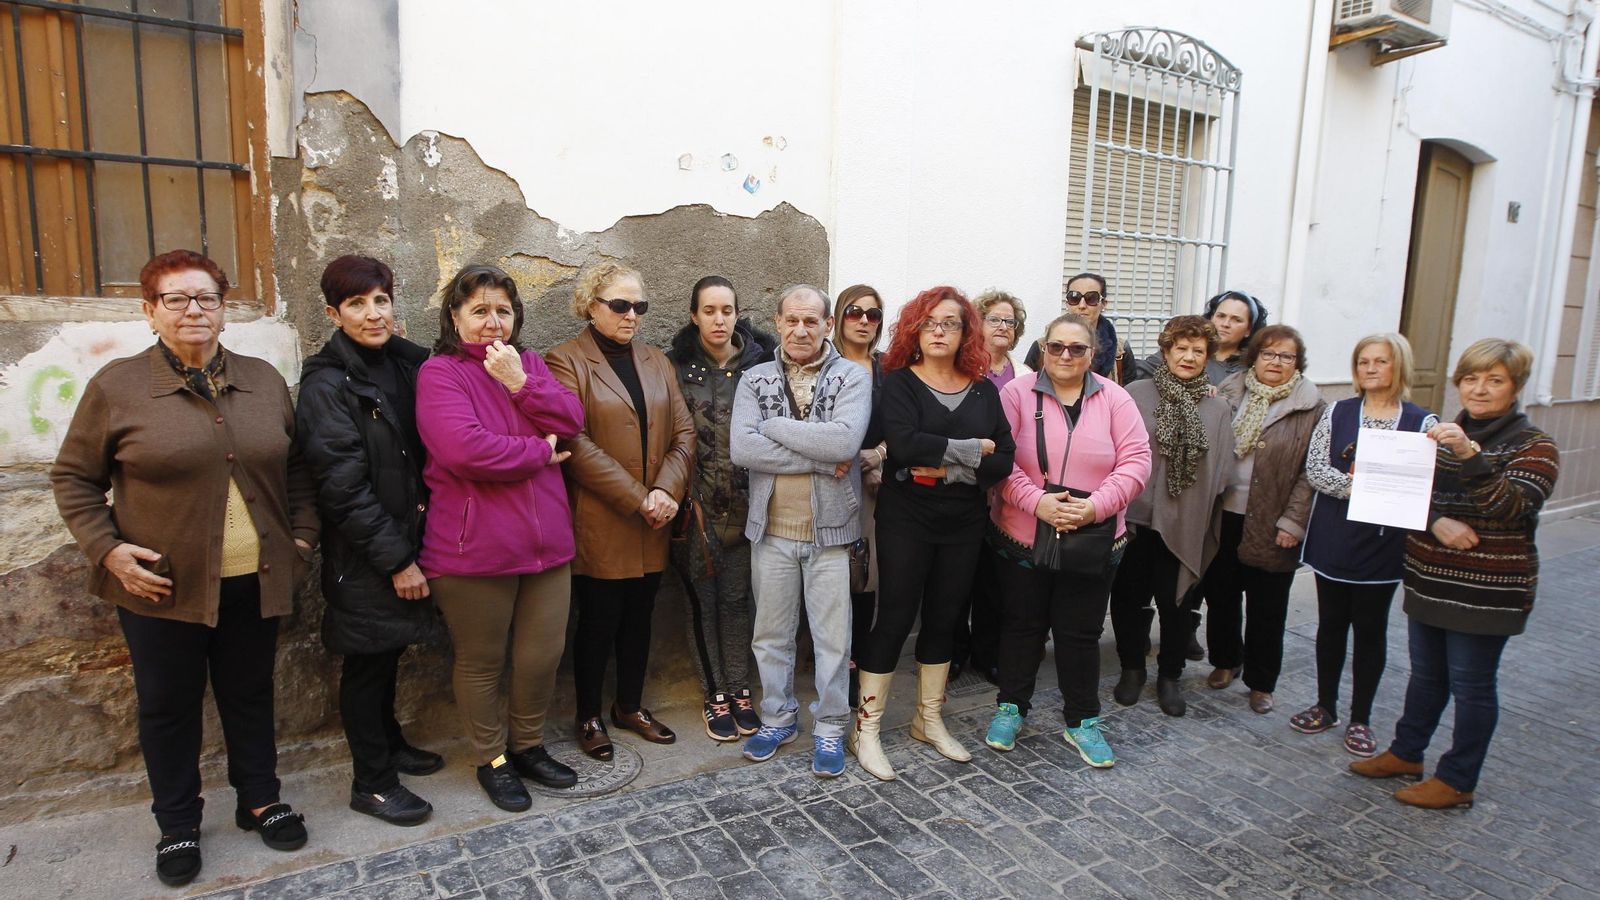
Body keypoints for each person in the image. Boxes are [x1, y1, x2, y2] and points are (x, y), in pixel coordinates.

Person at [51, 250, 317, 886]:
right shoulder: (117, 387)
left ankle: (259, 798)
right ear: (150, 312)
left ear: (224, 310)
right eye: (176, 299)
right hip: (159, 588)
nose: (193, 310)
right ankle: (177, 824)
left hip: (255, 579)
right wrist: (108, 550)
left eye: (206, 298)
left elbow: (298, 468)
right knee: (167, 705)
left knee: (250, 693)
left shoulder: (262, 380)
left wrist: (301, 538)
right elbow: (74, 478)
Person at [1352, 339, 1558, 809]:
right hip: (1431, 579)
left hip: (1486, 591)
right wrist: (1421, 510)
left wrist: (1469, 455)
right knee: (1425, 676)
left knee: (1472, 685)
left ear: (1516, 386)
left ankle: (1459, 778)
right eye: (1470, 379)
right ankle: (1407, 753)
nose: (1479, 390)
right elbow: (1411, 500)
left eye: (1494, 380)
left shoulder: (1535, 446)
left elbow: (1510, 505)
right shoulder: (1437, 437)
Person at [415, 264, 586, 812]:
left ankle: (529, 745)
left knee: (542, 655)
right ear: (455, 317)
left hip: (548, 545)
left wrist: (518, 382)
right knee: (482, 660)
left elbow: (571, 420)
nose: (493, 323)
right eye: (480, 311)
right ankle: (492, 758)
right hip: (473, 550)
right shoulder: (440, 373)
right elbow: (465, 450)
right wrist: (539, 453)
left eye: (503, 311)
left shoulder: (529, 364)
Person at [295, 255, 444, 826]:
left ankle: (389, 743)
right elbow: (342, 488)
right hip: (367, 555)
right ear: (334, 314)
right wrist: (398, 560)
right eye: (357, 304)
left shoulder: (398, 368)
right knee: (366, 663)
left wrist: (405, 349)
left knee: (388, 655)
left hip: (404, 540)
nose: (372, 313)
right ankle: (373, 782)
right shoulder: (327, 387)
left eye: (381, 300)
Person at [851, 287, 1016, 780]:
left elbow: (1004, 458)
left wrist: (944, 468)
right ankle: (868, 728)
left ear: (967, 332)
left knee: (946, 617)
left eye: (951, 322)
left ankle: (928, 718)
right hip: (907, 517)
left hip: (964, 520)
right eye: (930, 323)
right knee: (896, 616)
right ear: (916, 331)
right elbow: (902, 444)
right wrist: (971, 451)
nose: (940, 330)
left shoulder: (985, 389)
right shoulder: (899, 383)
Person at [985, 313, 1150, 766]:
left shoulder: (1116, 399)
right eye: (1056, 346)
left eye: (1076, 348)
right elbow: (1001, 460)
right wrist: (1036, 502)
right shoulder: (1015, 394)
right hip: (1022, 532)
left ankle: (1082, 720)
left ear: (1091, 354)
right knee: (1022, 626)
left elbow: (1136, 461)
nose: (1065, 356)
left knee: (1080, 634)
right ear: (1043, 346)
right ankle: (1011, 707)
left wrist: (1094, 506)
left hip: (1093, 535)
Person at [546, 262, 695, 761]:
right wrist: (639, 497)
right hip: (605, 517)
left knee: (641, 616)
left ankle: (629, 706)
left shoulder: (656, 360)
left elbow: (684, 433)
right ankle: (587, 714)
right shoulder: (565, 361)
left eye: (640, 306)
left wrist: (667, 492)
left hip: (656, 514)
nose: (632, 315)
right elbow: (574, 442)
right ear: (591, 306)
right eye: (620, 305)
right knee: (598, 621)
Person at [730, 284, 871, 778]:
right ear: (778, 320)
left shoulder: (852, 377)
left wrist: (771, 427)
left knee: (834, 639)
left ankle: (832, 725)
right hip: (770, 531)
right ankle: (778, 717)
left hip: (831, 532)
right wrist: (820, 454)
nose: (800, 330)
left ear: (828, 325)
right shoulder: (754, 380)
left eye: (812, 321)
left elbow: (846, 440)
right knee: (770, 635)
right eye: (792, 320)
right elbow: (742, 451)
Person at [1291, 333, 1436, 757]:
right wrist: (1365, 488)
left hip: (1384, 543)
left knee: (1370, 632)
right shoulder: (1338, 413)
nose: (1371, 369)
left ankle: (1360, 718)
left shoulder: (1422, 423)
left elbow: (1422, 483)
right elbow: (1316, 469)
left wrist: (1374, 488)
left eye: (1381, 362)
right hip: (1335, 537)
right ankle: (1325, 705)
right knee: (1330, 626)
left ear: (1399, 367)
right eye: (1364, 362)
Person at [666, 275, 776, 741]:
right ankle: (714, 695)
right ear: (694, 315)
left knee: (737, 602)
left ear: (737, 313)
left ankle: (739, 689)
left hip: (749, 506)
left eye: (726, 310)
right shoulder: (673, 367)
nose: (718, 319)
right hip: (695, 508)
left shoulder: (762, 363)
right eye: (708, 310)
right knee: (701, 604)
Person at [1108, 316, 1235, 718]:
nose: (1189, 356)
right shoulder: (1135, 393)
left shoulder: (1217, 409)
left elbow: (1221, 472)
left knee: (1178, 604)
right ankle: (1131, 670)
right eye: (1181, 348)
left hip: (1185, 523)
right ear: (1165, 351)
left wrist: (1191, 505)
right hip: (1134, 520)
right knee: (1128, 600)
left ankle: (1170, 676)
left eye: (1198, 350)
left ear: (1207, 358)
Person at [1202, 324, 1324, 714]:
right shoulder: (1229, 393)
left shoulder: (1311, 407)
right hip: (1225, 513)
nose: (1276, 362)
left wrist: (1293, 522)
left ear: (1297, 363)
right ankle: (1225, 660)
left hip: (1274, 520)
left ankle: (1261, 681)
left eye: (1286, 356)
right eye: (1269, 354)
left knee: (1268, 607)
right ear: (1254, 356)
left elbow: (1310, 473)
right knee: (1221, 595)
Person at [954, 290, 1033, 683]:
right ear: (977, 324)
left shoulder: (1025, 375)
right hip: (965, 484)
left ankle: (987, 653)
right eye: (995, 319)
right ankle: (954, 652)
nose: (1004, 327)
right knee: (957, 577)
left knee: (992, 579)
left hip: (1008, 489)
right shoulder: (962, 368)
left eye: (1010, 322)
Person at [832, 283, 887, 707]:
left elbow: (900, 427)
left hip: (876, 488)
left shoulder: (887, 369)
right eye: (855, 312)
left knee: (866, 579)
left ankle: (863, 667)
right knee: (836, 578)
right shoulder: (824, 365)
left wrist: (879, 453)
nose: (864, 321)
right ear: (838, 317)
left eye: (872, 314)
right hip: (833, 483)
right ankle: (836, 666)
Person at [1023, 273, 1134, 384]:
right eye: (1074, 297)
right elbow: (1027, 388)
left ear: (1103, 304)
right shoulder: (1042, 346)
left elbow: (1129, 393)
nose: (1082, 305)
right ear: (1067, 303)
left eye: (1091, 298)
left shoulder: (1120, 351)